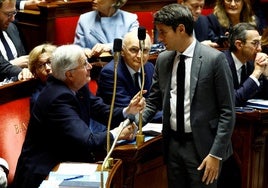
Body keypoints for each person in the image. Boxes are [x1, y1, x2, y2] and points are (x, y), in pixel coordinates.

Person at [11, 44, 145, 188]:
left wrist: (128, 110)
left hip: (67, 165)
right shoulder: (58, 97)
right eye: (84, 64)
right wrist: (117, 133)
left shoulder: (77, 86)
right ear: (69, 74)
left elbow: (101, 110)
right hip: (44, 174)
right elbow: (87, 140)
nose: (90, 67)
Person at [139, 4, 235, 188]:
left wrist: (216, 154)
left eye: (163, 32)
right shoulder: (163, 59)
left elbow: (227, 111)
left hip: (204, 148)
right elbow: (153, 102)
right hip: (173, 145)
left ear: (181, 29)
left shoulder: (214, 59)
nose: (160, 38)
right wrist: (133, 122)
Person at [97, 29, 162, 123]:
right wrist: (171, 116)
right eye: (134, 50)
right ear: (122, 52)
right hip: (115, 126)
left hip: (144, 123)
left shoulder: (149, 67)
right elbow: (131, 110)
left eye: (145, 50)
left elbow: (156, 102)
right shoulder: (111, 73)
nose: (140, 56)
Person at [223, 22, 268, 107]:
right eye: (255, 43)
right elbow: (232, 100)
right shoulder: (221, 63)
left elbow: (264, 96)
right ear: (239, 44)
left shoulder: (252, 63)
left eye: (260, 43)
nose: (260, 49)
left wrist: (266, 75)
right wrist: (256, 74)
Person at [74, 0, 139, 58]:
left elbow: (134, 44)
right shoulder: (84, 19)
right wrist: (84, 51)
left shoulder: (130, 19)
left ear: (114, 1)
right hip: (93, 67)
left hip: (121, 66)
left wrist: (109, 47)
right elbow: (77, 49)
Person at [0, 0, 32, 81]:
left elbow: (24, 56)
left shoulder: (12, 28)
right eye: (9, 14)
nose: (12, 19)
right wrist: (13, 64)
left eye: (14, 13)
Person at [27, 43, 57, 109]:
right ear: (35, 73)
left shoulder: (73, 83)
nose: (47, 68)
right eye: (40, 65)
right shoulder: (38, 100)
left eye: (49, 62)